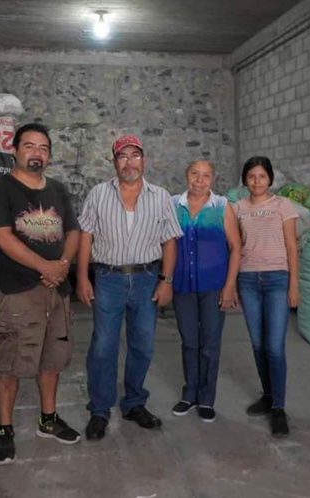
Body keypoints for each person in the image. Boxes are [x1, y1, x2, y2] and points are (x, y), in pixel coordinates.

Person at [0, 122, 81, 465]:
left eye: (43, 148)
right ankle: (5, 428)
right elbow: (3, 237)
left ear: (48, 155)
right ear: (15, 150)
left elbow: (73, 232)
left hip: (57, 290)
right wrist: (45, 267)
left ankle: (48, 420)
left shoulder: (58, 190)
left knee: (52, 358)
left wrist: (63, 264)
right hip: (19, 292)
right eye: (29, 146)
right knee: (9, 361)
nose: (36, 153)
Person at [76, 134, 183, 441]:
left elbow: (170, 240)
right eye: (122, 156)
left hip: (147, 279)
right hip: (108, 279)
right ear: (114, 162)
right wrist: (82, 277)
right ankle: (100, 409)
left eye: (135, 155)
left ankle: (134, 402)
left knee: (143, 345)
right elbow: (85, 236)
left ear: (144, 160)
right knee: (103, 346)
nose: (129, 162)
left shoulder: (160, 196)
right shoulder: (98, 194)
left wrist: (166, 280)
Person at [170, 160, 242, 423]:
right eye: (194, 174)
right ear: (186, 175)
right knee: (189, 341)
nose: (199, 180)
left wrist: (229, 285)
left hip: (214, 287)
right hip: (182, 287)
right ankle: (189, 393)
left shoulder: (222, 207)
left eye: (206, 176)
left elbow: (235, 247)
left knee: (210, 343)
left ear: (213, 179)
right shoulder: (172, 205)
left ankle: (207, 398)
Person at [233, 156, 300, 438]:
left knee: (274, 346)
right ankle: (269, 395)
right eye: (251, 177)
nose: (257, 181)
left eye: (262, 176)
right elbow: (235, 248)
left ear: (270, 179)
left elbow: (291, 247)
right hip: (248, 280)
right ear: (245, 180)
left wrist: (294, 285)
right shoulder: (237, 209)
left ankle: (279, 409)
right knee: (258, 345)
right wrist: (232, 285)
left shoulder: (282, 206)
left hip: (276, 280)